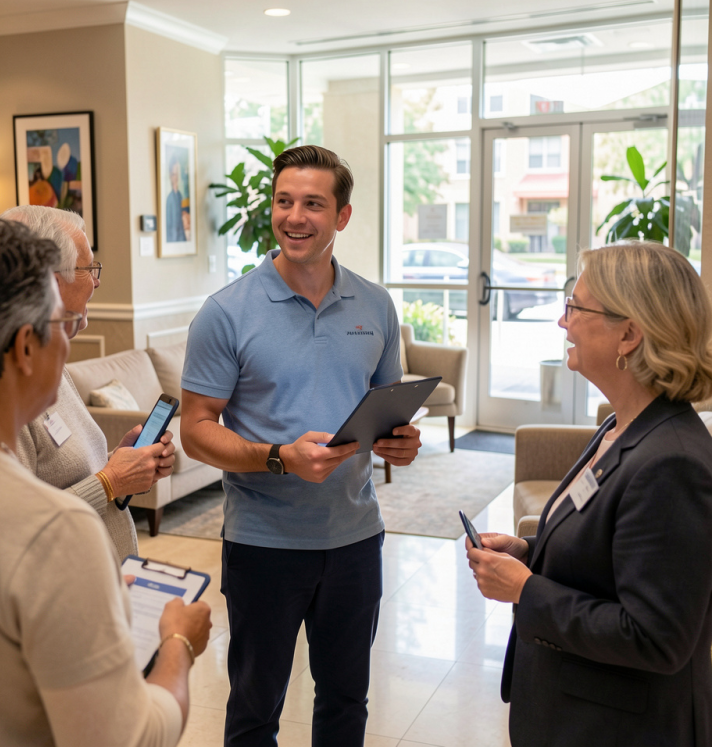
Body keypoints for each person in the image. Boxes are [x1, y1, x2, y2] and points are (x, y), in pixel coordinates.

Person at [0, 217, 212, 746]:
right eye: (64, 324)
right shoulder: (54, 532)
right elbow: (130, 737)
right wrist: (177, 645)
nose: (71, 346)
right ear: (26, 347)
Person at [180, 144, 423, 746]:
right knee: (255, 707)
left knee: (346, 702)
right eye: (284, 201)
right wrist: (278, 457)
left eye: (313, 203)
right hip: (264, 545)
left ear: (341, 216)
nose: (295, 216)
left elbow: (384, 404)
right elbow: (195, 428)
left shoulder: (376, 304)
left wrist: (400, 441)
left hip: (356, 539)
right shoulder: (226, 313)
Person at [466, 240, 712, 746]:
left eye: (575, 308)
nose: (563, 322)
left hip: (618, 727)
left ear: (630, 334)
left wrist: (524, 589)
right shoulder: (620, 429)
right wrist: (530, 555)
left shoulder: (673, 463)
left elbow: (656, 637)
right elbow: (609, 558)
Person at [0, 205, 175, 560]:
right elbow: (11, 530)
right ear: (49, 280)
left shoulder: (46, 365)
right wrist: (109, 482)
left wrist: (120, 466)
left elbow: (60, 475)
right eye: (89, 268)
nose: (98, 281)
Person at [166, 160, 187, 242]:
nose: (176, 178)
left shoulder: (180, 196)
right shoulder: (169, 199)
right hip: (173, 239)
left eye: (177, 174)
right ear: (170, 176)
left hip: (181, 238)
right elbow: (169, 226)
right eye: (174, 174)